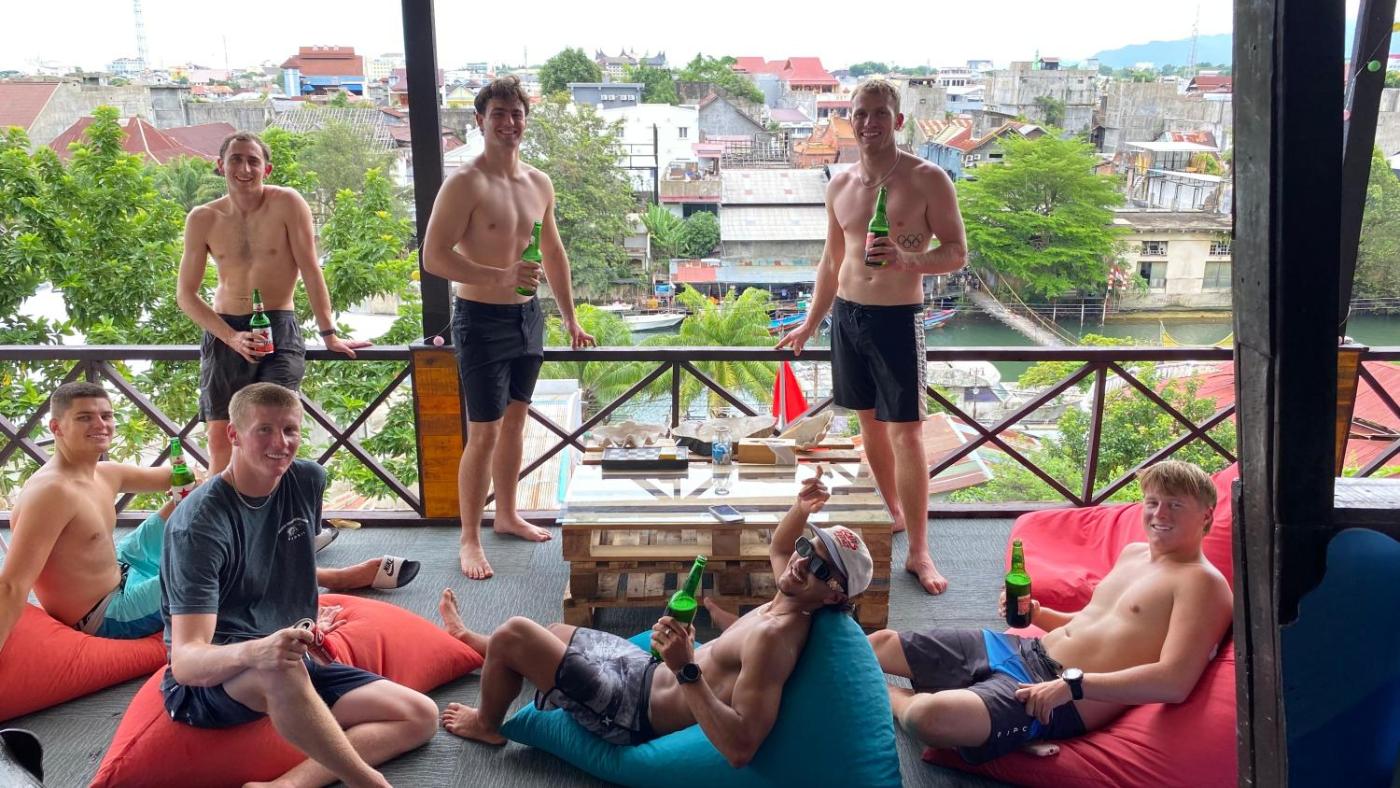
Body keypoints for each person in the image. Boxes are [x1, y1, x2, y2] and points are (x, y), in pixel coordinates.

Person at [435, 468, 874, 768]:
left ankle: (487, 724)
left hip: (632, 711)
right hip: (642, 671)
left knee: (516, 632)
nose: (801, 563)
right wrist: (801, 509)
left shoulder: (775, 639)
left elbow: (741, 748)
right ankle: (477, 645)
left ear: (836, 595)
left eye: (820, 567)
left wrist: (685, 667)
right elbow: (779, 547)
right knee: (552, 632)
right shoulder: (793, 593)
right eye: (806, 548)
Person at [0, 382, 411, 654]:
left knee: (193, 503)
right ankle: (327, 576)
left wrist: (211, 477)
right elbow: (12, 584)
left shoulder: (104, 472)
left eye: (105, 415)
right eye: (84, 418)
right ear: (56, 427)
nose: (100, 425)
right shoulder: (51, 493)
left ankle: (287, 553)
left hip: (123, 567)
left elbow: (190, 482)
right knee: (216, 567)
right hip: (105, 610)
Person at [162, 383, 437, 788]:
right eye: (264, 430)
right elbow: (186, 663)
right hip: (214, 678)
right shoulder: (199, 525)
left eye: (290, 430)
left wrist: (302, 617)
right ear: (233, 434)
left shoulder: (307, 479)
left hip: (289, 653)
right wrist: (258, 649)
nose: (281, 443)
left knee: (421, 715)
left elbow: (282, 559)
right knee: (277, 668)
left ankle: (285, 786)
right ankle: (370, 782)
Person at [866, 460, 1232, 763]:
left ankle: (892, 697)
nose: (1159, 513)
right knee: (879, 644)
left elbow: (1174, 682)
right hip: (1024, 649)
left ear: (1206, 515)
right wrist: (1039, 615)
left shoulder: (1203, 584)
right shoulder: (1133, 554)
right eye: (1152, 502)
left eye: (1175, 505)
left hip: (1058, 696)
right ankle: (976, 715)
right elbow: (1094, 621)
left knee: (927, 717)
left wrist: (1072, 686)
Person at [777, 78, 967, 595]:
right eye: (861, 113)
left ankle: (921, 552)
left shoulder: (928, 179)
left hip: (897, 319)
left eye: (880, 113)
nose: (869, 122)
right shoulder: (839, 184)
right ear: (850, 120)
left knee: (907, 434)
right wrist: (811, 322)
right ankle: (894, 512)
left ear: (897, 121)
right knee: (869, 427)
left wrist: (907, 259)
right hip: (847, 317)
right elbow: (830, 261)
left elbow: (956, 252)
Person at [422, 76, 595, 581]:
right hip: (479, 319)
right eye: (498, 113)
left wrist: (569, 316)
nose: (509, 122)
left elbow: (553, 252)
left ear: (526, 120)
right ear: (480, 121)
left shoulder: (539, 183)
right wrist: (499, 276)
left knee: (517, 422)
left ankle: (507, 513)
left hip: (527, 317)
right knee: (484, 432)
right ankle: (469, 538)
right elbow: (434, 256)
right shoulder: (465, 183)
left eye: (516, 113)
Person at [177, 131, 371, 475]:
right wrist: (231, 337)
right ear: (220, 165)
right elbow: (185, 295)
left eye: (253, 161)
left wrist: (329, 334)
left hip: (278, 327)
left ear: (266, 169)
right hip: (226, 330)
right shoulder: (203, 218)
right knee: (221, 437)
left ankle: (279, 508)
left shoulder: (287, 203)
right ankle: (223, 509)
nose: (245, 168)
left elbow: (311, 269)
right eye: (236, 159)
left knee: (274, 430)